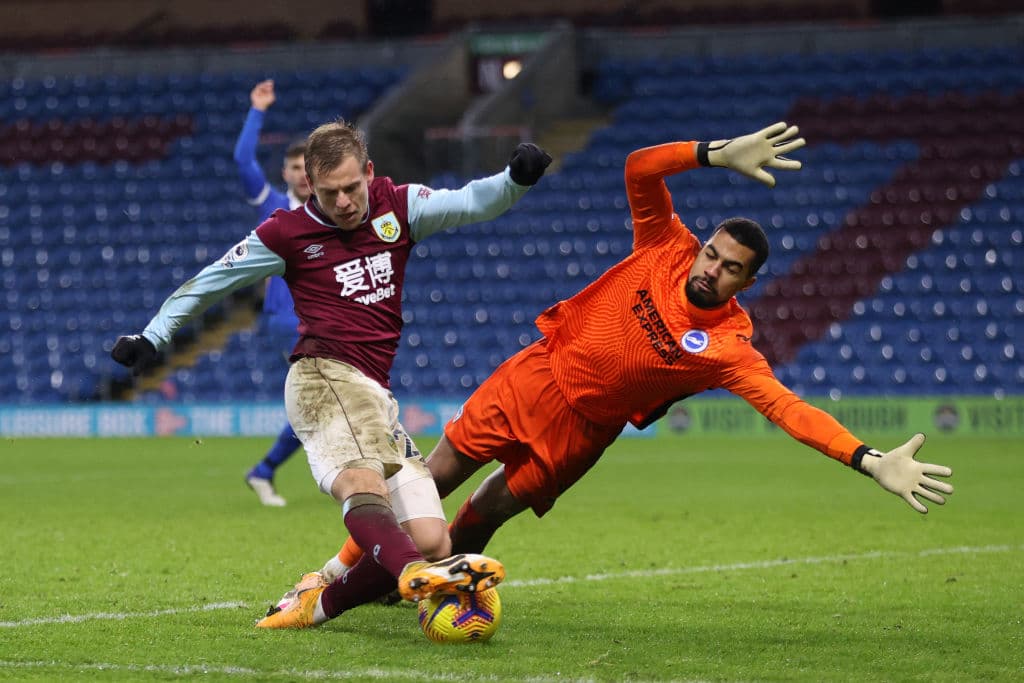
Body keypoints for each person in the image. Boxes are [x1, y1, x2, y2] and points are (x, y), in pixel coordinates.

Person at [302, 121, 955, 602]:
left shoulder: (730, 348)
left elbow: (788, 409)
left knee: (487, 512)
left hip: (585, 429)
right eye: (714, 255)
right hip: (537, 372)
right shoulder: (666, 243)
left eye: (731, 269)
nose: (714, 269)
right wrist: (713, 153)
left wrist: (868, 459)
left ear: (745, 284)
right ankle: (335, 575)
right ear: (702, 246)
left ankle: (429, 589)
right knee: (432, 474)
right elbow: (640, 168)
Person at [110, 118, 553, 629]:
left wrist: (514, 180)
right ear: (310, 188)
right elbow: (212, 281)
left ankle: (317, 597)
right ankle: (409, 573)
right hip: (322, 377)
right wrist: (153, 335)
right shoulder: (287, 231)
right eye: (328, 193)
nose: (343, 202)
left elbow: (473, 201)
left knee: (434, 539)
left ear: (368, 171)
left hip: (373, 394)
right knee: (363, 487)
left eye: (351, 188)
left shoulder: (399, 207)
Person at [233, 79, 312, 507]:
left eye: (308, 168)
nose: (301, 174)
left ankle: (263, 471)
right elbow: (242, 158)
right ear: (285, 173)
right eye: (295, 168)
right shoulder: (272, 207)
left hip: (318, 320)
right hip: (288, 321)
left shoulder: (330, 215)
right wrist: (258, 110)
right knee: (332, 394)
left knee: (317, 403)